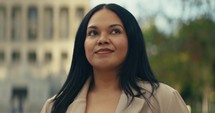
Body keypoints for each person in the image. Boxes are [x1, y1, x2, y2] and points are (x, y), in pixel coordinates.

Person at [40, 3, 190, 113]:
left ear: (131, 40)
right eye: (93, 33)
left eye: (114, 31)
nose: (102, 39)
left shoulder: (164, 99)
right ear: (82, 44)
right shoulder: (54, 107)